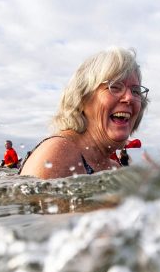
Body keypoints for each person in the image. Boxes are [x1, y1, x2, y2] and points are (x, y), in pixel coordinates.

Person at [20, 47, 148, 179]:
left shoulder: (114, 168)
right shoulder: (59, 153)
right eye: (115, 87)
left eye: (136, 91)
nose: (129, 98)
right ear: (82, 97)